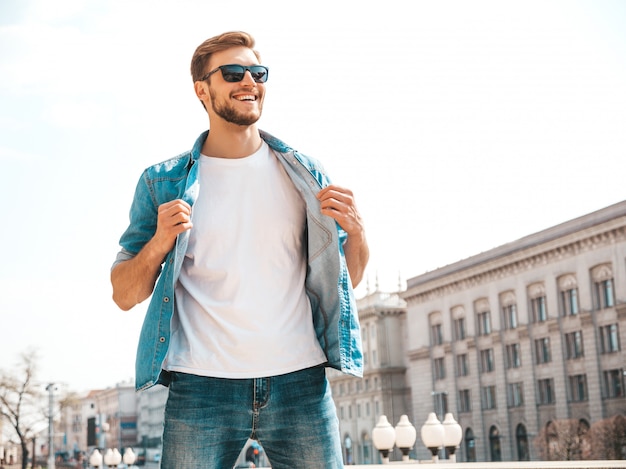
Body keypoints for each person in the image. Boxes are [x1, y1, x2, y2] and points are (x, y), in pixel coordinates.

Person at [110, 31, 369, 469]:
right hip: (201, 390)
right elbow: (124, 294)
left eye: (257, 72)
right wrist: (159, 242)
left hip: (301, 382)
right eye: (232, 72)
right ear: (202, 89)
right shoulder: (162, 181)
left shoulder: (305, 174)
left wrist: (358, 234)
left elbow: (347, 281)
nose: (248, 80)